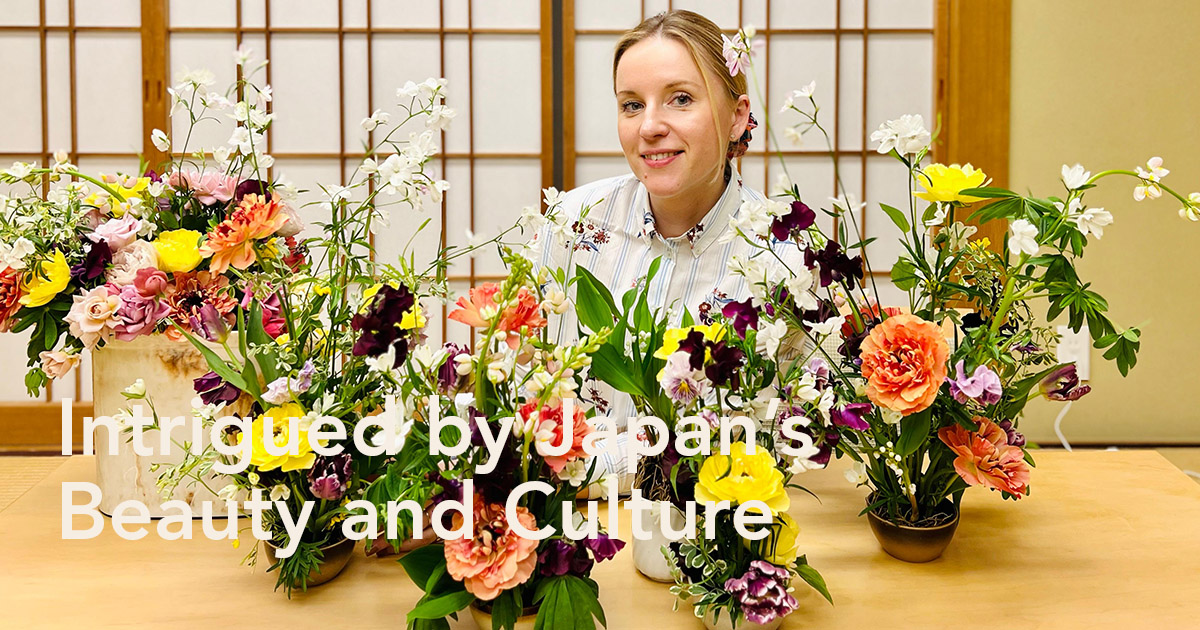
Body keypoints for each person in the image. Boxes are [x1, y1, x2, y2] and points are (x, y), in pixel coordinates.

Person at [529, 11, 804, 488]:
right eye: (631, 105)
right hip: (560, 521)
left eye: (680, 99)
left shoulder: (785, 257)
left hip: (710, 530)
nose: (649, 126)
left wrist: (578, 468)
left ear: (737, 117)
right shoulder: (571, 223)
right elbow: (529, 394)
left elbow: (768, 437)